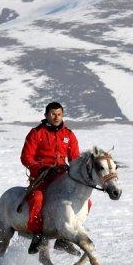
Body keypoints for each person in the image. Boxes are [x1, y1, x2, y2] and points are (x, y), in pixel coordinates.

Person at [20, 101, 80, 254]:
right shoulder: (36, 133)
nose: (56, 117)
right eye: (53, 114)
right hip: (41, 178)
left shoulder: (68, 134)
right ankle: (36, 234)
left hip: (62, 178)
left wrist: (76, 170)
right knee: (37, 199)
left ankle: (63, 237)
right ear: (46, 115)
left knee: (85, 200)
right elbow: (26, 157)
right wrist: (39, 167)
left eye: (59, 114)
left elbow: (74, 158)